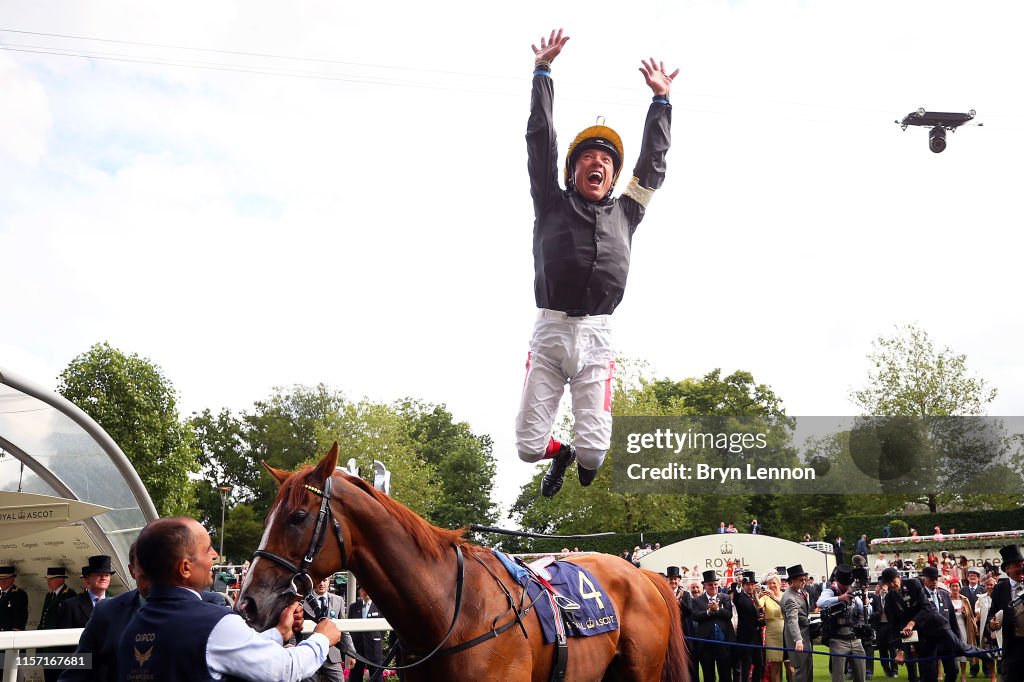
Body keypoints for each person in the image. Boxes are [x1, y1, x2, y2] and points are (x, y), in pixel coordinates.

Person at [516, 27, 676, 497]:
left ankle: (579, 455)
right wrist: (542, 72)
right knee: (527, 448)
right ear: (573, 170)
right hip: (549, 334)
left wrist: (661, 103)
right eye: (588, 156)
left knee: (596, 455)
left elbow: (654, 165)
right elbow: (540, 140)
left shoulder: (627, 210)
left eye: (605, 160)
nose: (598, 163)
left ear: (612, 177)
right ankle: (556, 453)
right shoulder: (550, 200)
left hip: (598, 337)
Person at [117, 516, 340, 681]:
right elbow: (284, 670)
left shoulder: (131, 627)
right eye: (207, 550)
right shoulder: (214, 623)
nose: (214, 555)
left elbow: (218, 648)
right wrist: (322, 639)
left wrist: (279, 632)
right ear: (185, 568)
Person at [818, 565, 868, 682]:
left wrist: (866, 604)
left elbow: (865, 611)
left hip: (855, 638)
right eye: (844, 584)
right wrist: (840, 598)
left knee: (861, 676)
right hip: (838, 639)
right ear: (838, 581)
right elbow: (820, 603)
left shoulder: (853, 593)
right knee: (838, 677)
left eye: (848, 584)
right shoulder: (830, 591)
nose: (846, 587)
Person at [299, 576, 353, 682]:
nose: (321, 583)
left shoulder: (339, 600)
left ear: (329, 582)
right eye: (319, 580)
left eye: (325, 580)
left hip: (332, 655)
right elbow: (296, 629)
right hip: (310, 655)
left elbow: (344, 629)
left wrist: (351, 653)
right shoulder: (302, 601)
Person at [986, 544, 1024, 682]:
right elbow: (992, 613)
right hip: (1012, 646)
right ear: (1007, 569)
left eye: (1023, 564)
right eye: (1017, 565)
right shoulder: (1000, 589)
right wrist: (992, 623)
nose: (1022, 568)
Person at [692, 570, 734, 682]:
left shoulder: (725, 597)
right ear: (704, 586)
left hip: (723, 643)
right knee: (708, 676)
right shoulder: (697, 600)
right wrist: (708, 612)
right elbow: (695, 616)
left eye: (715, 584)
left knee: (725, 675)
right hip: (706, 644)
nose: (714, 586)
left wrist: (718, 609)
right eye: (710, 584)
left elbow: (729, 615)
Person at [38, 566, 78, 682]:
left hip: (60, 651)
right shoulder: (49, 596)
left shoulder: (69, 595)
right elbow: (43, 621)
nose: (48, 582)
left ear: (61, 579)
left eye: (51, 579)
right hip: (47, 648)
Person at [57, 555, 115, 630]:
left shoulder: (116, 604)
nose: (103, 578)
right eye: (98, 574)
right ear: (88, 578)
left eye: (107, 575)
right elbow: (63, 637)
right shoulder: (70, 606)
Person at [781, 565, 813, 682]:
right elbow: (792, 620)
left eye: (805, 579)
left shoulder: (802, 593)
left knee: (808, 670)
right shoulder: (790, 597)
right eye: (801, 580)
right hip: (798, 639)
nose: (804, 582)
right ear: (792, 581)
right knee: (800, 672)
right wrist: (798, 640)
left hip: (806, 636)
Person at [348, 585, 384, 682]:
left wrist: (376, 639)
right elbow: (350, 629)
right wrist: (350, 653)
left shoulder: (379, 606)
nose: (366, 591)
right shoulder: (353, 607)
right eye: (363, 589)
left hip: (374, 649)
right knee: (355, 678)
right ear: (359, 591)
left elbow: (383, 630)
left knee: (377, 678)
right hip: (357, 650)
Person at [734, 571, 764, 682]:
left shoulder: (757, 598)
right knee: (746, 666)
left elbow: (760, 613)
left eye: (752, 584)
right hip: (746, 638)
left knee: (759, 664)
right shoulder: (741, 597)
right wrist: (738, 585)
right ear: (743, 586)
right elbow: (736, 599)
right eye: (747, 585)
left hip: (757, 637)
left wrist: (762, 620)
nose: (750, 587)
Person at [947, 579, 978, 682]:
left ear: (959, 587)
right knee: (950, 649)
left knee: (963, 648)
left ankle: (963, 674)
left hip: (963, 627)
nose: (955, 588)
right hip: (950, 628)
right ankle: (950, 673)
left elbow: (970, 615)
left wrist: (965, 613)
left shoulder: (964, 599)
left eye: (956, 586)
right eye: (953, 586)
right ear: (950, 588)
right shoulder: (946, 599)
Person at [760, 574, 785, 682]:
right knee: (775, 666)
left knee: (790, 667)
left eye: (774, 583)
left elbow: (786, 607)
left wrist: (774, 598)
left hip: (786, 632)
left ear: (779, 584)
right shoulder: (765, 597)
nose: (772, 585)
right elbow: (758, 605)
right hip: (772, 633)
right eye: (769, 583)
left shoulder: (785, 595)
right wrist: (757, 595)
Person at [0, 565, 28, 631]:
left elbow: (20, 617)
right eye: (0, 579)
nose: (2, 581)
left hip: (9, 633)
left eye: (5, 578)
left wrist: (15, 633)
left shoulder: (19, 594)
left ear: (12, 579)